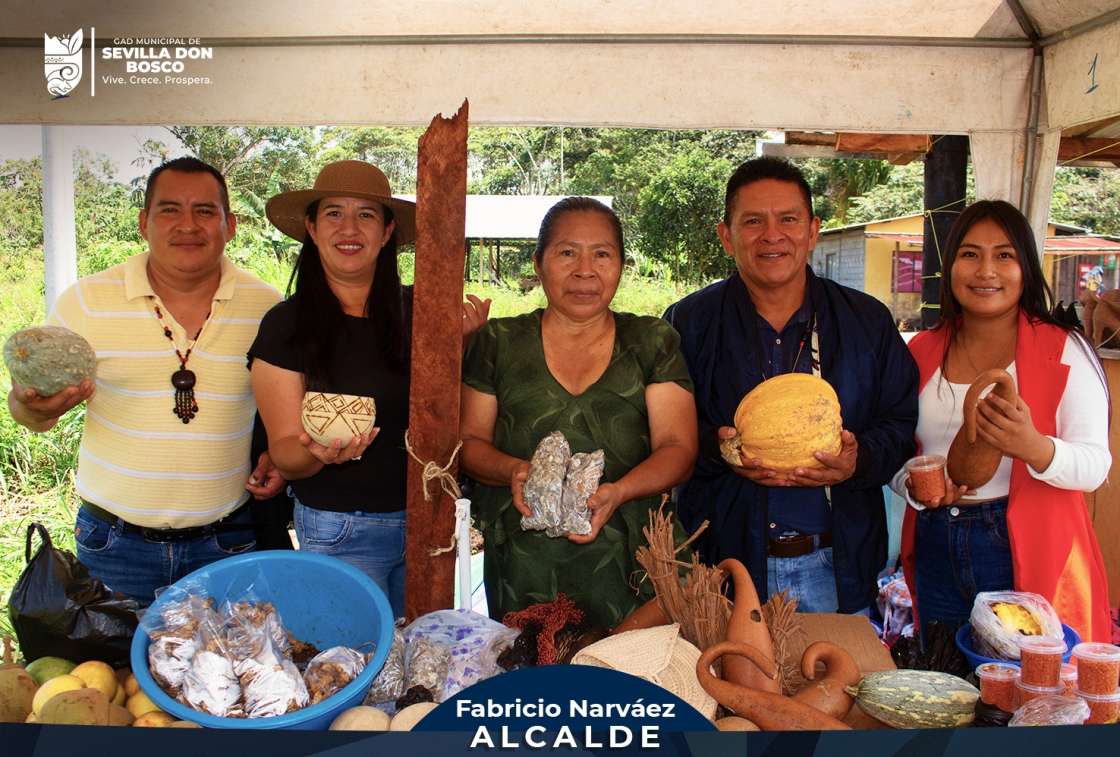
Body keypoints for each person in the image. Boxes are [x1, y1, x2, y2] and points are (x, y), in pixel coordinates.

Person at [7, 157, 285, 603]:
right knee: (110, 673)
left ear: (229, 225)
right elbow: (29, 413)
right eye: (170, 210)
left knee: (228, 670)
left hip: (228, 541)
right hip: (113, 545)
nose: (187, 225)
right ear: (144, 222)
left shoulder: (268, 307)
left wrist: (278, 452)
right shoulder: (85, 302)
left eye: (205, 211)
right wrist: (32, 406)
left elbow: (282, 404)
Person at [664, 157, 919, 614]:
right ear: (726, 235)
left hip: (836, 567)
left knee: (835, 685)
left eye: (788, 219)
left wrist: (859, 460)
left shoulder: (867, 321)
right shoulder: (689, 324)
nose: (772, 235)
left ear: (813, 229)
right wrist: (714, 446)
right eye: (753, 221)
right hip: (725, 568)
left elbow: (899, 422)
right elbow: (664, 431)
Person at [249, 160, 489, 619]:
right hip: (341, 528)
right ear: (312, 228)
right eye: (334, 213)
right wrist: (317, 453)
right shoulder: (286, 326)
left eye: (366, 214)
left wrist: (458, 344)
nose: (349, 228)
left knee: (421, 667)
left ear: (387, 231)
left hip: (427, 524)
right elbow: (284, 453)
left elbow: (443, 411)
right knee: (354, 665)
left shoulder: (424, 312)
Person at [460, 197, 698, 628]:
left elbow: (678, 447)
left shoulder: (650, 342)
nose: (584, 270)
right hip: (524, 565)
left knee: (626, 683)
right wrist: (514, 470)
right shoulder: (499, 342)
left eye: (602, 254)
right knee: (532, 682)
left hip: (633, 562)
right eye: (567, 252)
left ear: (621, 265)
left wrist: (619, 491)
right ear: (538, 263)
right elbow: (470, 443)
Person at [895, 200, 1112, 643]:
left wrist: (1035, 446)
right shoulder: (919, 352)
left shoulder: (1063, 350)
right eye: (970, 254)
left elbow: (1096, 467)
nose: (986, 271)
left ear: (1026, 268)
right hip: (938, 540)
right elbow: (898, 455)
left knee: (1025, 694)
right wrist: (911, 486)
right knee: (947, 687)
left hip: (1023, 550)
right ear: (950, 265)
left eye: (1004, 255)